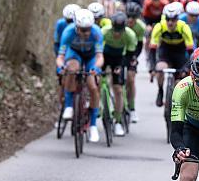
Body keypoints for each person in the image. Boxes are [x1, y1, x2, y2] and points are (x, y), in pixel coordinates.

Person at [56, 9, 104, 143]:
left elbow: (100, 57)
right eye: (82, 30)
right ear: (76, 27)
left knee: (93, 87)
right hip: (74, 54)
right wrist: (61, 67)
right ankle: (69, 106)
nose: (86, 33)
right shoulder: (68, 32)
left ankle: (93, 125)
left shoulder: (96, 33)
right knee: (72, 69)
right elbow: (60, 57)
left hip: (90, 57)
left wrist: (96, 67)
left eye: (88, 29)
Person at [149, 2, 194, 107]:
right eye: (168, 19)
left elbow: (191, 52)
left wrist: (186, 68)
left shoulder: (184, 27)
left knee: (180, 80)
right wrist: (152, 67)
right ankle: (160, 91)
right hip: (165, 51)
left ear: (177, 19)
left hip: (180, 53)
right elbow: (152, 50)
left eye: (173, 20)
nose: (170, 23)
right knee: (160, 68)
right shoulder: (159, 27)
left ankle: (177, 101)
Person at [102, 12, 138, 136]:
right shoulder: (105, 32)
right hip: (105, 55)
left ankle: (117, 121)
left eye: (119, 31)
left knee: (117, 89)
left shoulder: (130, 35)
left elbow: (129, 55)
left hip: (119, 58)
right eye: (115, 30)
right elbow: (97, 51)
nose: (117, 33)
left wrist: (120, 67)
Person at [125, 2, 146, 123]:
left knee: (131, 78)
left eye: (133, 17)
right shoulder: (121, 23)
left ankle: (132, 108)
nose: (130, 19)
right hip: (120, 52)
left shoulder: (140, 27)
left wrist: (134, 58)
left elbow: (139, 46)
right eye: (128, 16)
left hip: (132, 52)